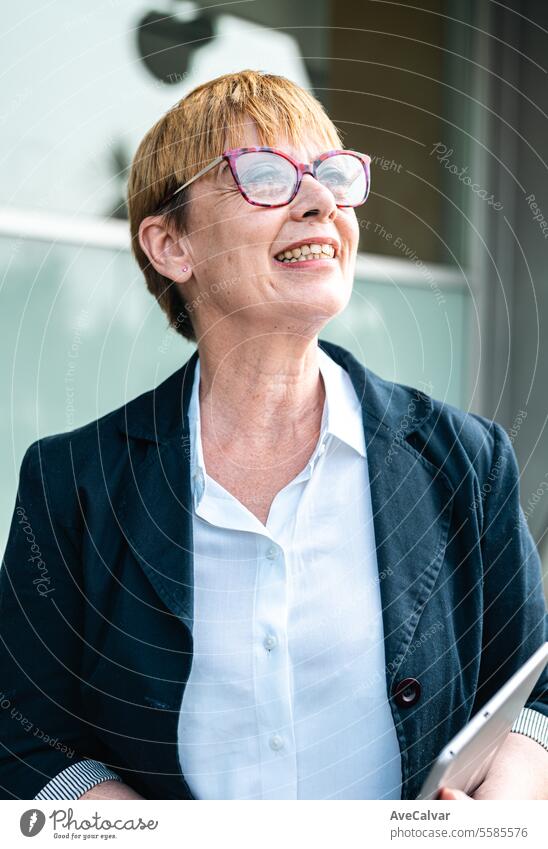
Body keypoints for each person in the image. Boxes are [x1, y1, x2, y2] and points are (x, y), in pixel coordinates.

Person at [0, 70, 546, 802]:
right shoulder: (72, 480)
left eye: (333, 176)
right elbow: (26, 736)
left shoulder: (466, 461)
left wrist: (504, 807)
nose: (320, 200)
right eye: (264, 175)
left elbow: (536, 695)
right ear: (170, 245)